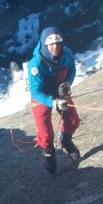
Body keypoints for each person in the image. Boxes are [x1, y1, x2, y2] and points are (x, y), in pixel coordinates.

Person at [28, 26, 81, 174]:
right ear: (45, 45)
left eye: (58, 43)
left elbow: (72, 70)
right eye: (51, 44)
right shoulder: (36, 64)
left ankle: (66, 139)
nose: (55, 47)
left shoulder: (67, 54)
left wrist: (67, 84)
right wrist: (53, 102)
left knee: (73, 121)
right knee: (45, 134)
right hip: (43, 95)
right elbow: (36, 91)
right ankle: (49, 153)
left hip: (59, 90)